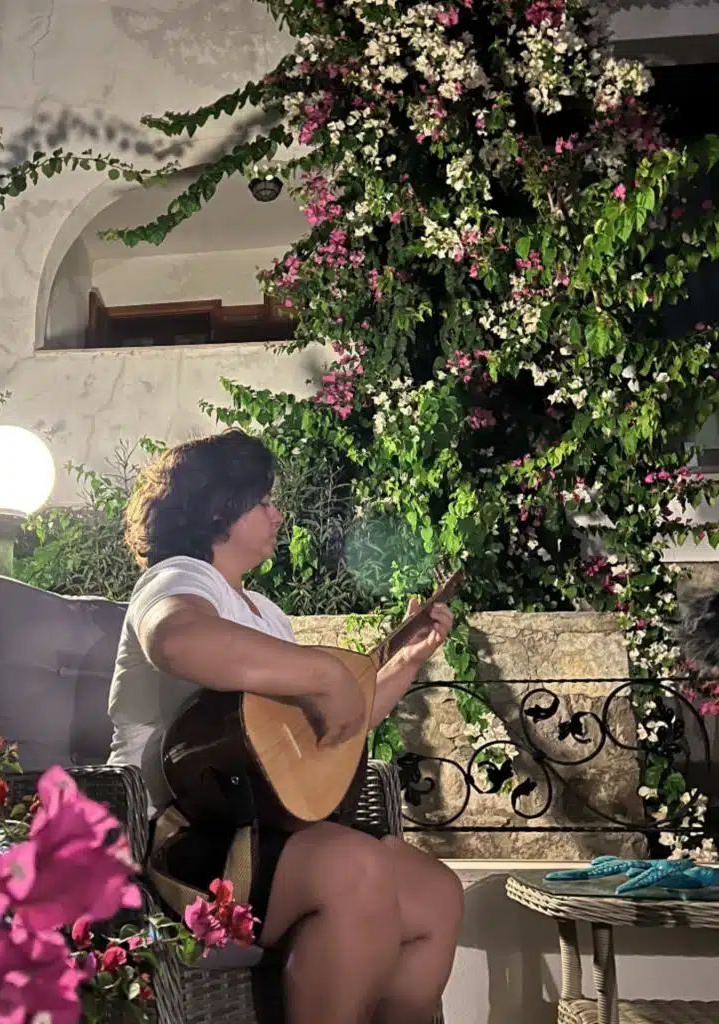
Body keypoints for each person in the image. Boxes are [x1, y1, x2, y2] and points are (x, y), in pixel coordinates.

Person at [107, 429, 463, 1024]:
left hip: (264, 821)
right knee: (355, 868)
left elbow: (329, 731)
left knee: (435, 895)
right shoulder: (178, 579)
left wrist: (405, 662)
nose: (278, 514)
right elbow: (178, 640)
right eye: (263, 501)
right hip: (186, 837)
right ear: (219, 510)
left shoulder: (266, 614)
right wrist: (326, 674)